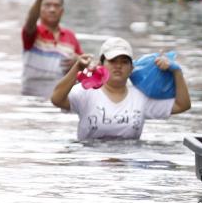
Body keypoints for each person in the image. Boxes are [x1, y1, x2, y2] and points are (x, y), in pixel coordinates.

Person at [50, 37, 191, 141]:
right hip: (90, 162)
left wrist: (177, 72)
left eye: (124, 62)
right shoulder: (86, 91)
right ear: (101, 64)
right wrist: (77, 68)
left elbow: (182, 105)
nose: (118, 66)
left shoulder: (141, 97)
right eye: (112, 61)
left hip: (129, 163)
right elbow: (57, 99)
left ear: (131, 68)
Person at [22, 0, 83, 97]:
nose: (52, 9)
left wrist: (78, 61)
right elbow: (30, 21)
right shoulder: (33, 33)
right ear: (40, 9)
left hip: (61, 96)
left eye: (56, 6)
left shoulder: (70, 36)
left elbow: (84, 64)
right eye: (47, 5)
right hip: (33, 96)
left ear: (62, 11)